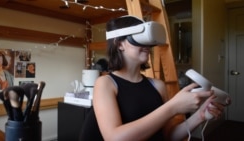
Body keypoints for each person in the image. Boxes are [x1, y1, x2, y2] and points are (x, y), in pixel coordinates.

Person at [79, 16, 230, 141]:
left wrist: (200, 116)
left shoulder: (157, 85)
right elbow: (114, 138)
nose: (148, 45)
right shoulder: (105, 83)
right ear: (119, 44)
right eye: (139, 38)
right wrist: (173, 107)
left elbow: (169, 135)